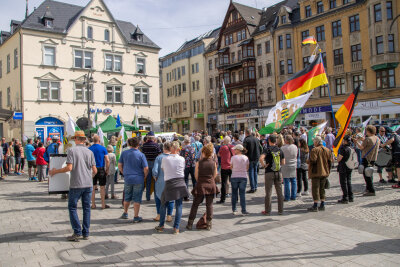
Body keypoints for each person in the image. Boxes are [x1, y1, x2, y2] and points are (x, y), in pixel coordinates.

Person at [49, 131, 97, 242]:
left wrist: (56, 171)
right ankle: (86, 233)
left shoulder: (72, 151)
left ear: (76, 139)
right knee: (86, 209)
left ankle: (77, 232)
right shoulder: (90, 152)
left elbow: (69, 168)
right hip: (88, 184)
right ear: (84, 139)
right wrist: (88, 176)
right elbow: (94, 170)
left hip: (76, 183)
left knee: (72, 207)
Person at [155, 141, 189, 234]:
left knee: (163, 204)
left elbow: (163, 169)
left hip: (169, 182)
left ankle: (161, 225)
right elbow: (183, 169)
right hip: (180, 182)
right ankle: (176, 228)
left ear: (170, 148)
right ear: (178, 149)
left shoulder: (165, 159)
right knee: (179, 205)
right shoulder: (182, 159)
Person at [186, 143, 218, 230]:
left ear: (203, 152)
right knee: (209, 205)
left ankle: (190, 223)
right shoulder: (213, 163)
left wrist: (200, 180)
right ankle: (209, 224)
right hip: (211, 184)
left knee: (195, 204)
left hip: (201, 185)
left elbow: (196, 176)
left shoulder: (199, 163)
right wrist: (210, 180)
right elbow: (215, 175)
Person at [119, 137, 149, 222]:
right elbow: (146, 168)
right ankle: (136, 216)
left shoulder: (124, 153)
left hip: (128, 177)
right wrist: (144, 176)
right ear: (138, 144)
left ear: (129, 144)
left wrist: (124, 173)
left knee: (127, 196)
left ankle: (125, 213)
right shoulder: (141, 155)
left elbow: (120, 165)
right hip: (138, 178)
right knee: (137, 198)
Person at [259, 134, 285, 215]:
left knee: (268, 192)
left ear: (269, 141)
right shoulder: (280, 150)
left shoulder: (267, 150)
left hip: (269, 172)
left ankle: (267, 211)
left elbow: (261, 158)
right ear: (276, 141)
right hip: (278, 172)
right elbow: (283, 162)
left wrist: (264, 165)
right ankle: (280, 210)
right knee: (279, 192)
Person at [307, 136, 332, 212]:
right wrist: (328, 171)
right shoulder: (327, 150)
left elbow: (313, 160)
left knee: (315, 189)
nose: (313, 143)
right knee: (322, 189)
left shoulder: (314, 150)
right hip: (324, 172)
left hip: (316, 172)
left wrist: (308, 161)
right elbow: (330, 161)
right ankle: (322, 204)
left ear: (316, 142)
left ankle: (315, 205)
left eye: (314, 141)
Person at [356, 125, 380, 196]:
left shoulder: (368, 139)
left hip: (366, 158)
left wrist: (356, 142)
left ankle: (371, 190)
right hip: (373, 158)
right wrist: (362, 139)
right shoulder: (377, 138)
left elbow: (361, 147)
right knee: (370, 173)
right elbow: (369, 143)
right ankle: (368, 188)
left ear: (368, 131)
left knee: (366, 175)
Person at [153, 142, 174, 222]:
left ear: (163, 148)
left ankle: (159, 215)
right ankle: (169, 215)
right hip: (171, 180)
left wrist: (155, 177)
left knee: (158, 197)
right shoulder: (173, 157)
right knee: (171, 198)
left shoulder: (159, 158)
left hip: (160, 180)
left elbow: (155, 170)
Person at [89, 135, 110, 209]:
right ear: (99, 140)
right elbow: (107, 160)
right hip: (101, 168)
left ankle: (93, 204)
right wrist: (107, 169)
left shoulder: (89, 148)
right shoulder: (103, 148)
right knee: (102, 187)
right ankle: (103, 204)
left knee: (93, 187)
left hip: (92, 168)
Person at [141, 131, 161, 201]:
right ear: (153, 138)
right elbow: (159, 154)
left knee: (148, 181)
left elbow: (142, 155)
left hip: (147, 163)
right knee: (155, 180)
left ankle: (147, 197)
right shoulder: (156, 145)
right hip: (155, 163)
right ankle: (156, 197)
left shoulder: (144, 145)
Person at [230, 144, 249, 215]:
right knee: (242, 194)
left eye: (235, 149)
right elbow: (247, 167)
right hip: (243, 176)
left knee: (234, 194)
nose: (234, 150)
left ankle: (234, 209)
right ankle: (243, 210)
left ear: (238, 150)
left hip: (234, 176)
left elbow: (231, 167)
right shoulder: (246, 158)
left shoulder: (233, 157)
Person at [243, 129, 262, 193]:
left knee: (251, 172)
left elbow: (244, 149)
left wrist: (245, 154)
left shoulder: (246, 140)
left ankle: (253, 187)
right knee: (255, 172)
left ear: (246, 133)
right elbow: (260, 148)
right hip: (256, 157)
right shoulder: (256, 139)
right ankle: (255, 186)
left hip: (250, 157)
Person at [337, 136, 354, 204]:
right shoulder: (351, 148)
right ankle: (350, 196)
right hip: (349, 166)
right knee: (348, 181)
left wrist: (336, 158)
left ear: (345, 141)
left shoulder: (343, 148)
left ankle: (345, 197)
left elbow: (339, 159)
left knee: (343, 182)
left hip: (343, 166)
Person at [217, 136, 234, 204]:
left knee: (223, 183)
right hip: (232, 166)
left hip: (224, 167)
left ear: (224, 141)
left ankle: (223, 198)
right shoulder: (233, 147)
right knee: (233, 182)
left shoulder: (222, 147)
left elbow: (218, 155)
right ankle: (235, 198)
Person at [281, 135, 298, 201]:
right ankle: (293, 195)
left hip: (286, 165)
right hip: (293, 164)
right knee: (293, 180)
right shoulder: (295, 147)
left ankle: (287, 197)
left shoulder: (283, 148)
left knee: (286, 181)